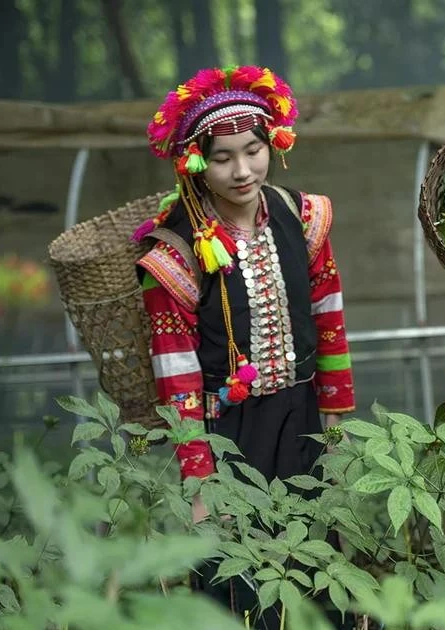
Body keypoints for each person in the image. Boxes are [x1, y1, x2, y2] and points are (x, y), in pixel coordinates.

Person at [133, 65, 354, 626]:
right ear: (194, 162)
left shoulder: (303, 217)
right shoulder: (176, 252)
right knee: (237, 575)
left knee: (312, 555)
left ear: (272, 144)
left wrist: (336, 419)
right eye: (222, 157)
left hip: (301, 417)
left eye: (253, 151)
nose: (241, 171)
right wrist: (197, 480)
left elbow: (329, 318)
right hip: (224, 430)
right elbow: (176, 373)